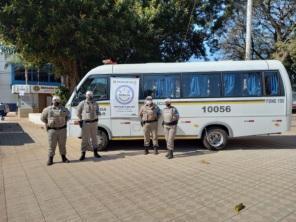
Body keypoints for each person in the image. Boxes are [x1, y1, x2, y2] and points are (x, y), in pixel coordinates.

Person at [41, 96, 71, 165]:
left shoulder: (64, 109)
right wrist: (47, 123)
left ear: (59, 101)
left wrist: (65, 122)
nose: (56, 102)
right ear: (52, 101)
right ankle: (50, 159)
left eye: (57, 100)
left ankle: (64, 158)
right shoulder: (48, 109)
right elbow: (42, 118)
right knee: (52, 145)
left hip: (62, 130)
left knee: (62, 145)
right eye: (54, 100)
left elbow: (69, 116)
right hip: (52, 130)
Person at [77, 90, 101, 160]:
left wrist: (98, 113)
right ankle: (83, 154)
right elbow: (78, 112)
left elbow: (97, 111)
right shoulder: (82, 103)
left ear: (92, 96)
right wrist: (81, 119)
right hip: (86, 123)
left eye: (91, 95)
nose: (89, 96)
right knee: (85, 139)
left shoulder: (95, 103)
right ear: (85, 95)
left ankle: (95, 153)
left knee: (94, 138)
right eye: (88, 95)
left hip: (94, 123)